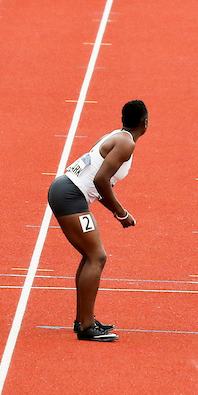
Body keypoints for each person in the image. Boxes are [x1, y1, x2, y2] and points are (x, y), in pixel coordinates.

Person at [47, 101, 148, 341]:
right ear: (145, 123)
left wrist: (117, 211)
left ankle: (84, 319)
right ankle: (86, 326)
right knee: (97, 256)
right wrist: (121, 213)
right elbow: (101, 181)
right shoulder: (127, 144)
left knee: (90, 256)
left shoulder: (115, 136)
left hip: (67, 189)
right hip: (71, 195)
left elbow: (101, 183)